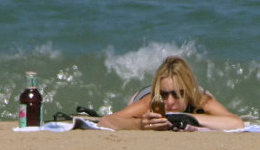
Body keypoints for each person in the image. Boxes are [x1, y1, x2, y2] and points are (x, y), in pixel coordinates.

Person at [97, 56, 244, 131]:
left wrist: (188, 117)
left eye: (177, 94)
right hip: (144, 94)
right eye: (165, 95)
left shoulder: (200, 100)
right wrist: (140, 124)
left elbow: (236, 123)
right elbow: (106, 121)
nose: (170, 102)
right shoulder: (150, 102)